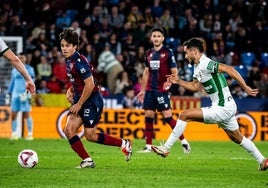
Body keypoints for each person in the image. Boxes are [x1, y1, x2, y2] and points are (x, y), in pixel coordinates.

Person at [151, 37, 268, 171]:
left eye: (186, 52)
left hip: (222, 107)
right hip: (226, 106)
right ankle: (262, 160)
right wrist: (178, 81)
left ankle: (166, 148)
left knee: (184, 115)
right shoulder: (197, 66)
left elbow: (229, 69)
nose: (185, 55)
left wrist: (245, 87)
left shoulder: (206, 63)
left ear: (194, 51)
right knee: (237, 138)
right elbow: (196, 87)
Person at [59, 28, 132, 168]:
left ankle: (124, 143)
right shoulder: (69, 61)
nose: (64, 48)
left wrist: (79, 104)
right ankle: (87, 160)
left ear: (75, 46)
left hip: (91, 101)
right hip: (80, 99)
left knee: (90, 135)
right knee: (69, 130)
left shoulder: (79, 62)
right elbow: (78, 81)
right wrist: (70, 89)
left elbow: (90, 84)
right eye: (62, 45)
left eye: (67, 45)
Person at [137, 27, 191, 153]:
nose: (156, 38)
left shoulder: (168, 52)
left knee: (168, 117)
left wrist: (169, 83)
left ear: (163, 38)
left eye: (158, 36)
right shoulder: (148, 53)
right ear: (151, 38)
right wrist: (142, 90)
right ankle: (148, 146)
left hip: (161, 90)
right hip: (150, 90)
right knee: (148, 116)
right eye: (154, 36)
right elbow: (146, 73)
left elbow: (174, 71)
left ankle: (184, 142)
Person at [8, 53, 35, 140]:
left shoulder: (30, 69)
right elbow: (12, 82)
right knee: (14, 114)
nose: (21, 59)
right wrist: (9, 93)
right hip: (15, 94)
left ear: (25, 59)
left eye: (22, 58)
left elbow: (32, 82)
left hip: (25, 94)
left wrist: (29, 94)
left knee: (27, 114)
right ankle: (14, 134)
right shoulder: (14, 70)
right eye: (19, 58)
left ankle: (30, 134)